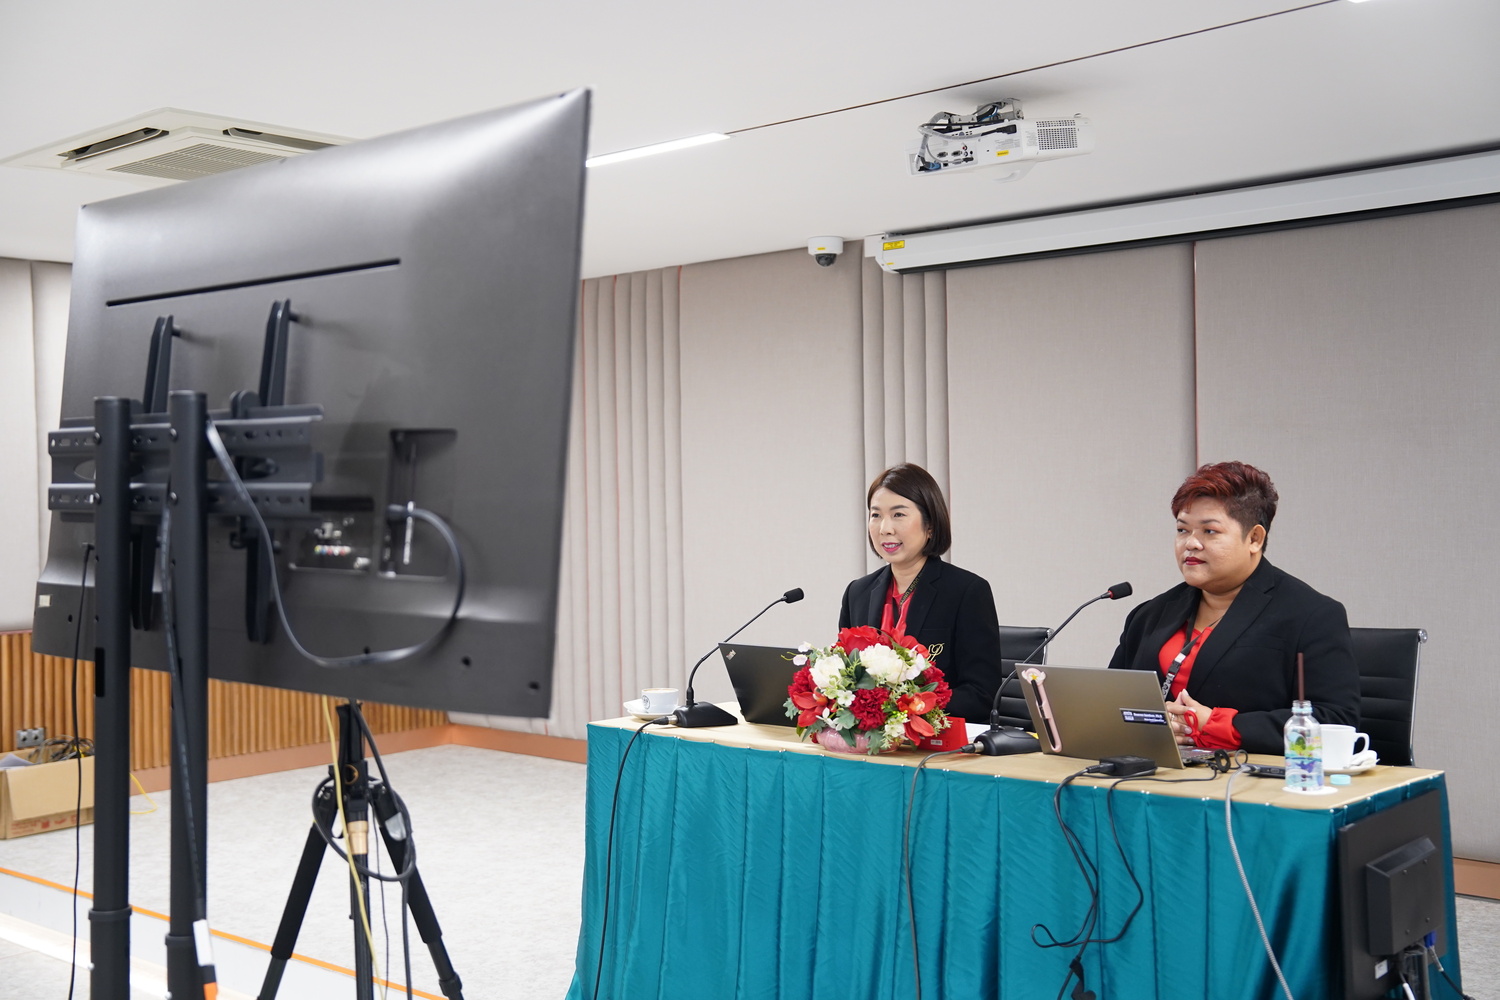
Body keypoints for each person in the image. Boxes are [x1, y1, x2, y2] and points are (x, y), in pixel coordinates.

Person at [1107, 461, 1359, 755]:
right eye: (1182, 530)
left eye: (1209, 531)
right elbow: (1112, 703)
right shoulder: (1149, 615)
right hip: (1153, 772)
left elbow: (1335, 720)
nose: (1191, 543)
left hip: (1250, 774)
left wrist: (1217, 725)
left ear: (1254, 539)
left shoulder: (1311, 615)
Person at [838, 463, 1002, 723]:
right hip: (871, 738)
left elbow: (982, 695)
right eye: (876, 515)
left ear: (930, 525)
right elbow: (847, 677)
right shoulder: (857, 593)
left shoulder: (966, 591)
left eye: (898, 514)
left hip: (938, 738)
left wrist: (906, 706)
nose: (885, 528)